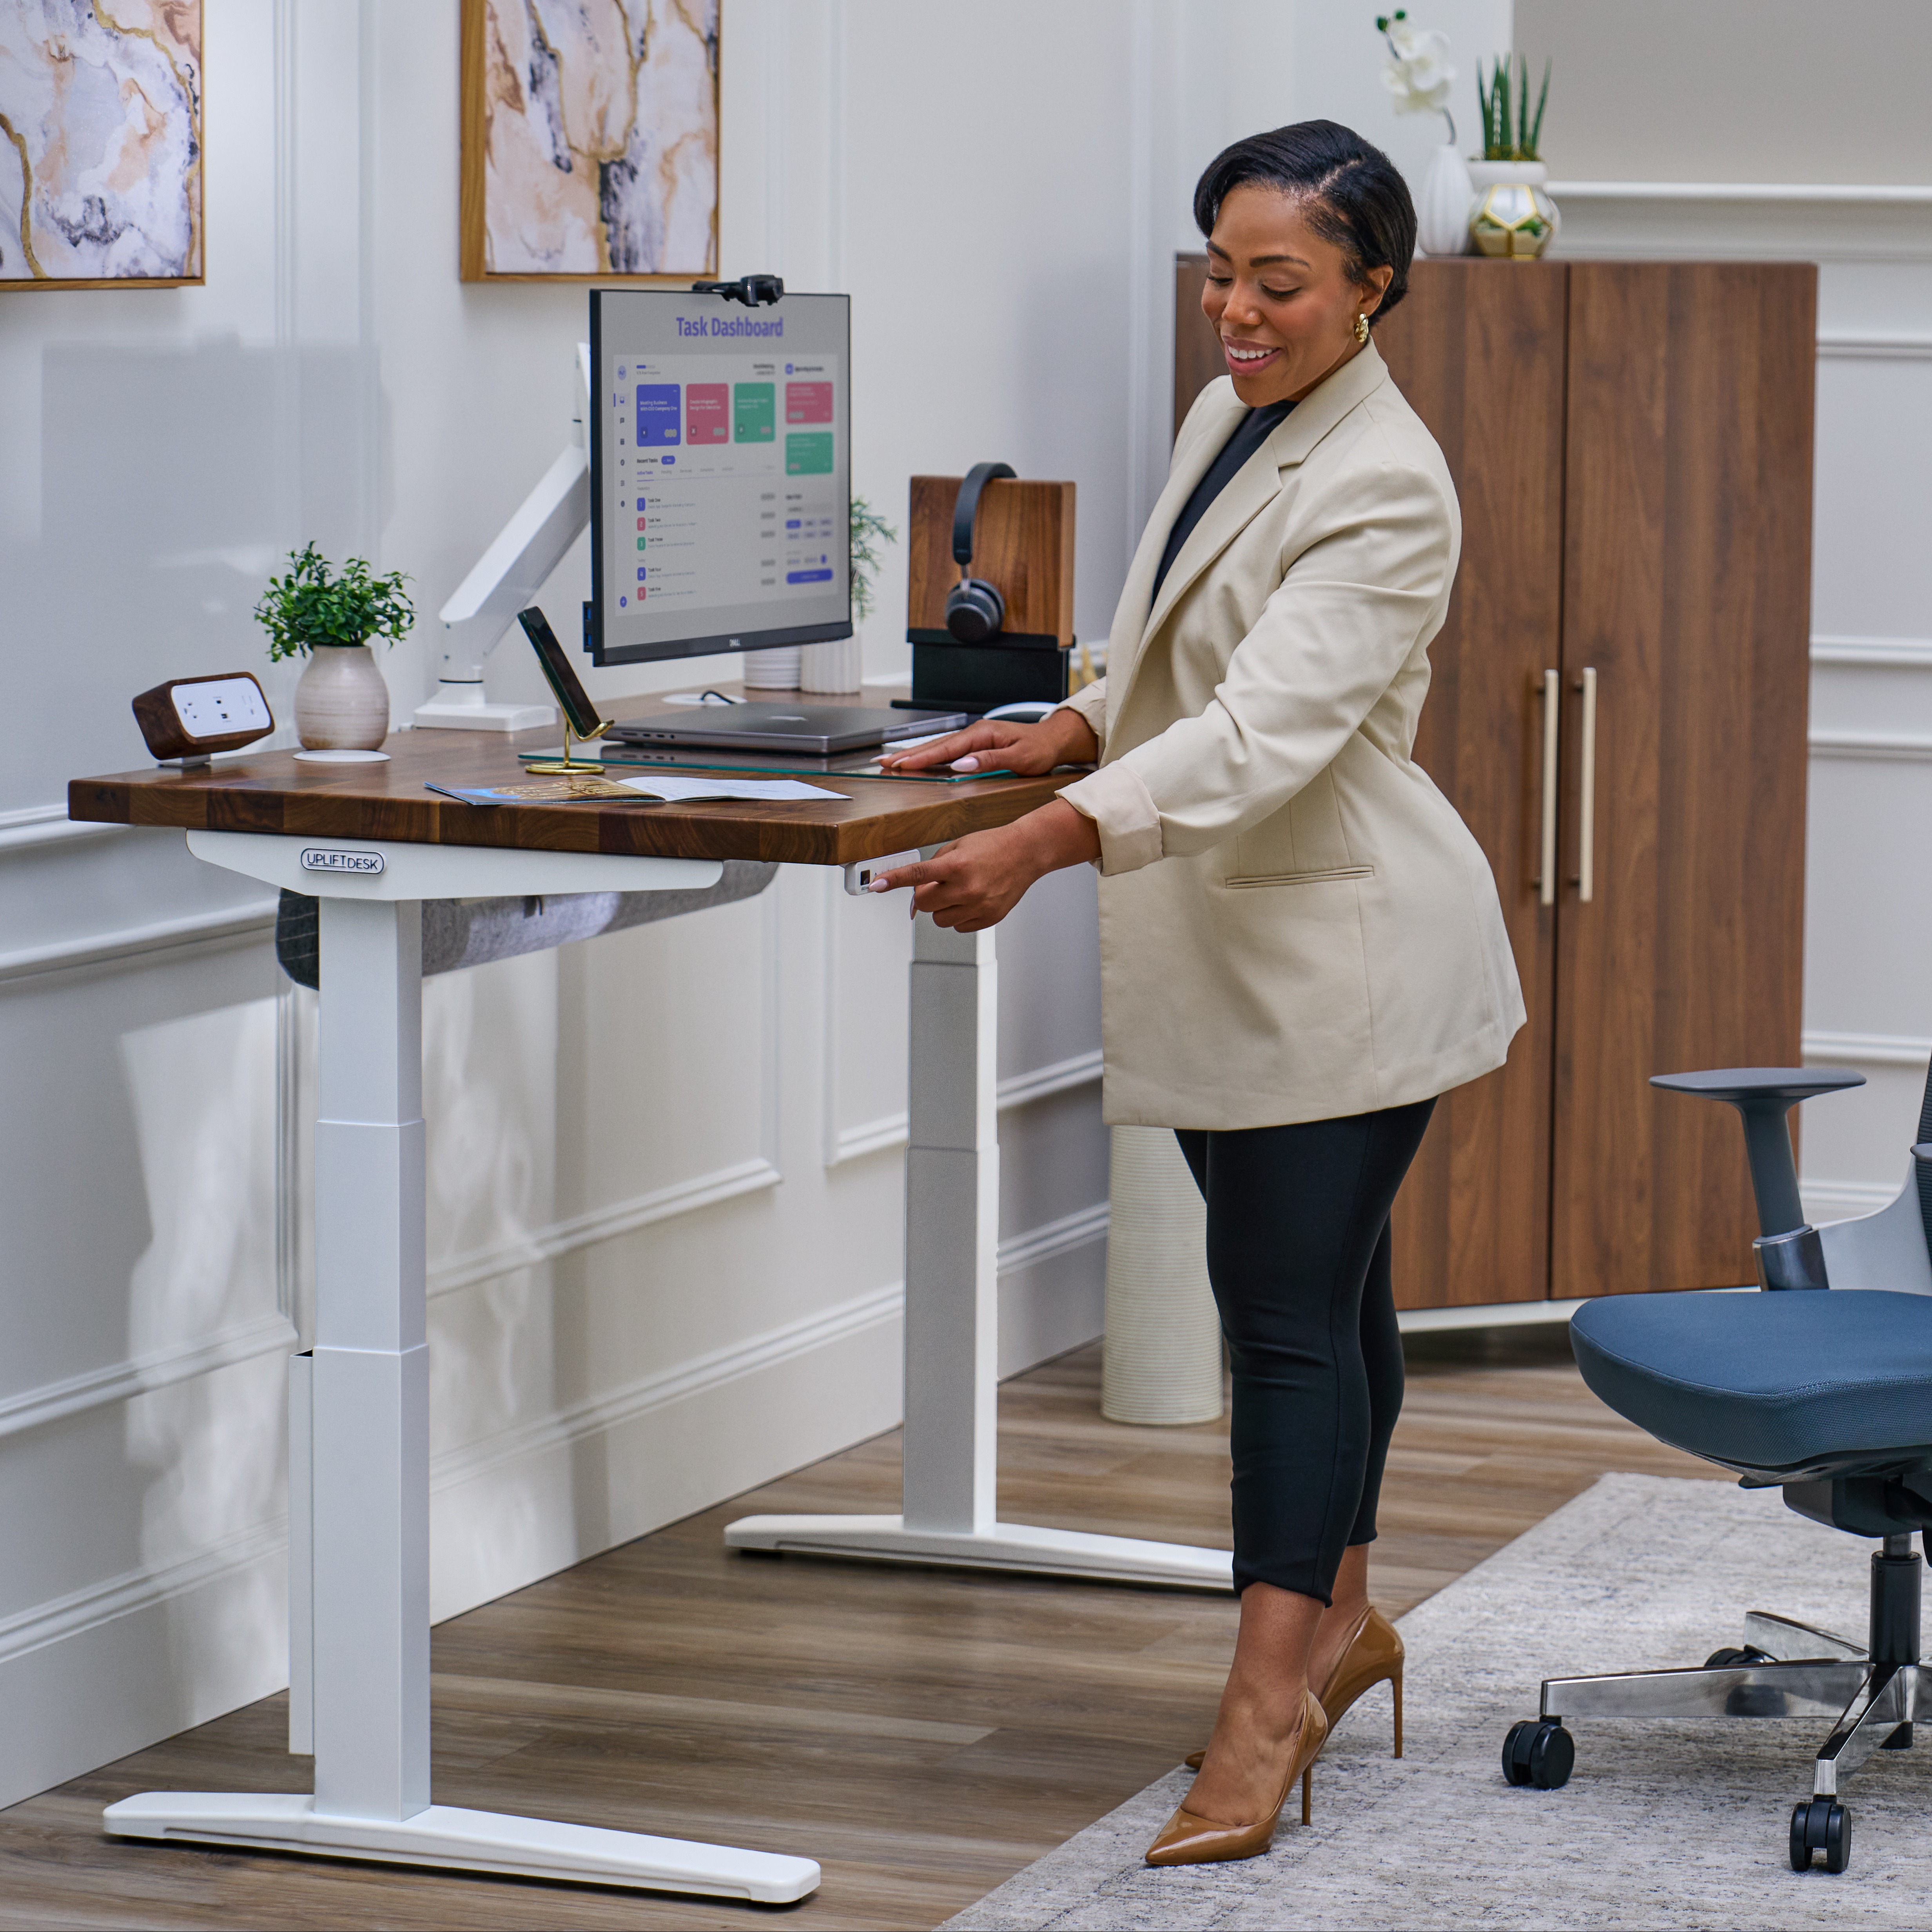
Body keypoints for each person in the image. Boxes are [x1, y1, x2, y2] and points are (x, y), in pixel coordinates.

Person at [872, 120, 1524, 1867]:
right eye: (1220, 272)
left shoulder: (1388, 478)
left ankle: (1260, 1716)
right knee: (1335, 1302)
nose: (1234, 309)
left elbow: (1263, 732)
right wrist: (1072, 722)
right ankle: (1343, 1625)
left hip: (1339, 962)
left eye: (1277, 281)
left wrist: (1051, 838)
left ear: (1372, 289)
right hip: (1244, 953)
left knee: (1284, 1328)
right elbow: (1177, 652)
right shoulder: (1229, 413)